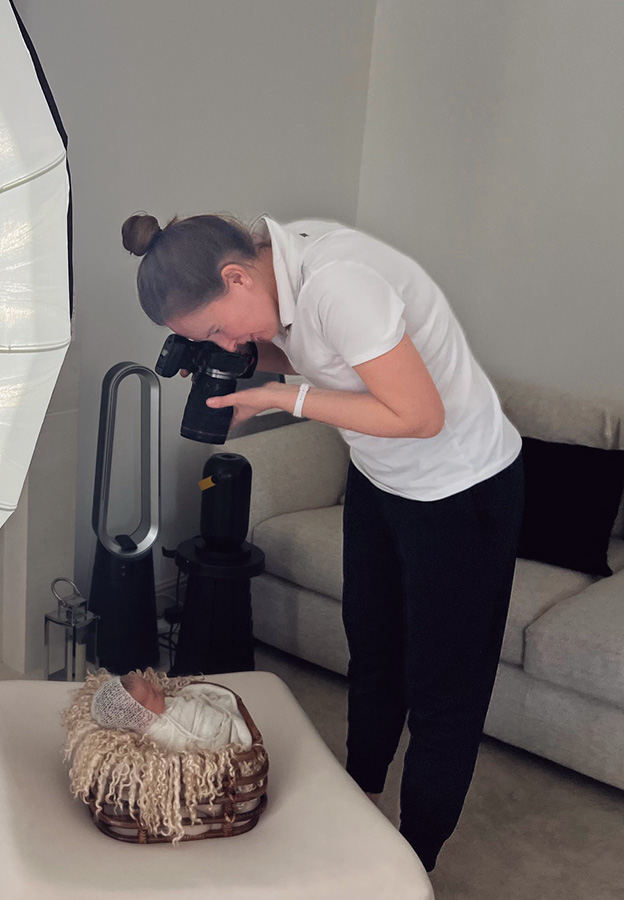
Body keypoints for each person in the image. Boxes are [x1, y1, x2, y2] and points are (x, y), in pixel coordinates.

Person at [121, 212, 524, 872]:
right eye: (209, 341)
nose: (224, 343)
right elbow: (319, 353)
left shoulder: (337, 281)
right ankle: (359, 801)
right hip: (381, 477)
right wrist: (247, 361)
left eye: (218, 328)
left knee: (441, 690)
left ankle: (409, 864)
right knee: (372, 653)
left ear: (234, 274)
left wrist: (286, 397)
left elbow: (420, 416)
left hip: (461, 491)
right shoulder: (272, 273)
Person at [91, 672, 253, 752]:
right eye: (153, 694)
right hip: (215, 731)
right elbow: (188, 745)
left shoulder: (160, 707)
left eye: (151, 685)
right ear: (142, 714)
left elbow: (184, 704)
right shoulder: (163, 732)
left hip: (210, 714)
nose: (158, 688)